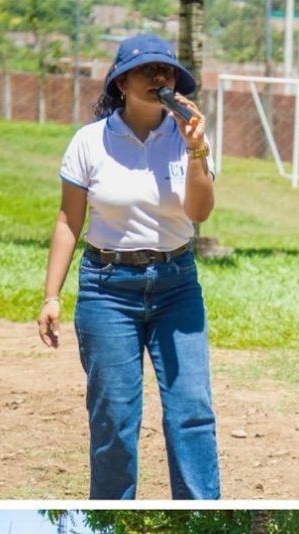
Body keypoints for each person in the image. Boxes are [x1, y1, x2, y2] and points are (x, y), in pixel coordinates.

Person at [37, 33, 219, 501]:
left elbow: (199, 213)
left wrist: (196, 149)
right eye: (146, 70)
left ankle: (200, 509)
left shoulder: (189, 135)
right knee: (114, 418)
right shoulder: (90, 141)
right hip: (107, 289)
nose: (159, 77)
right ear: (121, 83)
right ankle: (114, 508)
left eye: (166, 70)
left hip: (177, 286)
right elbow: (68, 220)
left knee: (192, 411)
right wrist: (51, 296)